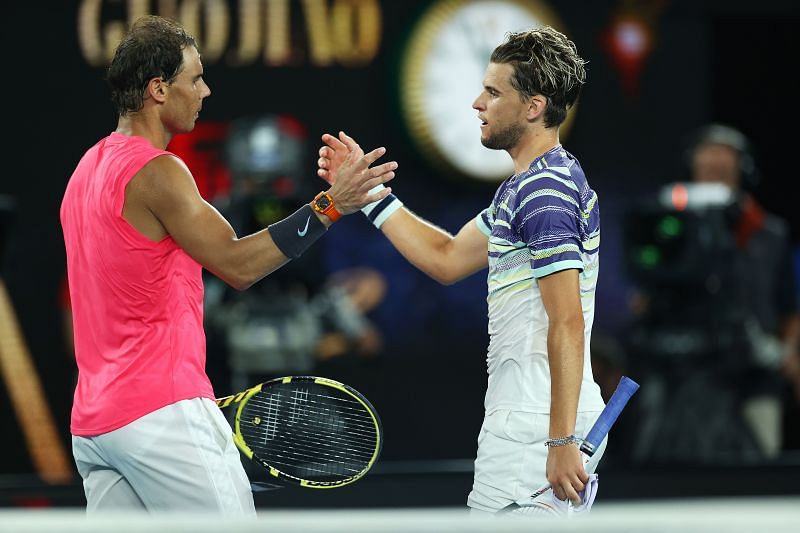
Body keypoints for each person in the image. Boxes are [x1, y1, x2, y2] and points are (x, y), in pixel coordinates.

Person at [59, 15, 396, 515]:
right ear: (158, 89)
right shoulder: (159, 171)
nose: (206, 91)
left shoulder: (85, 171)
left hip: (96, 425)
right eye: (194, 79)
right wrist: (331, 205)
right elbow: (238, 265)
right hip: (160, 417)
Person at [319, 26, 606, 516]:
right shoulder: (526, 186)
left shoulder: (545, 193)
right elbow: (447, 258)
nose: (478, 103)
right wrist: (370, 196)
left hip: (536, 428)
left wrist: (559, 440)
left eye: (494, 92)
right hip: (532, 420)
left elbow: (567, 322)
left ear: (533, 106)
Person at [687, 124, 800, 457]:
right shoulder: (676, 228)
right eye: (706, 157)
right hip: (692, 378)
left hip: (757, 380)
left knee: (756, 476)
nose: (713, 163)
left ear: (742, 168)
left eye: (723, 158)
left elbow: (789, 308)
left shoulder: (770, 234)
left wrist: (792, 353)